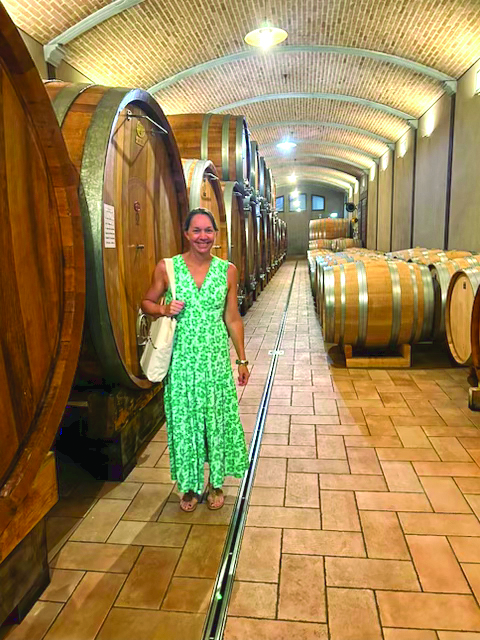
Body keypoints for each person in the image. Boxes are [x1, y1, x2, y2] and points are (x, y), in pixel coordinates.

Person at [141, 208, 250, 511]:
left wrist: (242, 360)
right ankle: (189, 486)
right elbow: (146, 302)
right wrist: (163, 309)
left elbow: (232, 317)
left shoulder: (227, 270)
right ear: (187, 234)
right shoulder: (168, 268)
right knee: (185, 423)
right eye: (197, 230)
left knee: (216, 420)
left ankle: (216, 482)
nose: (203, 236)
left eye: (208, 230)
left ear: (216, 234)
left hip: (215, 363)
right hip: (182, 363)